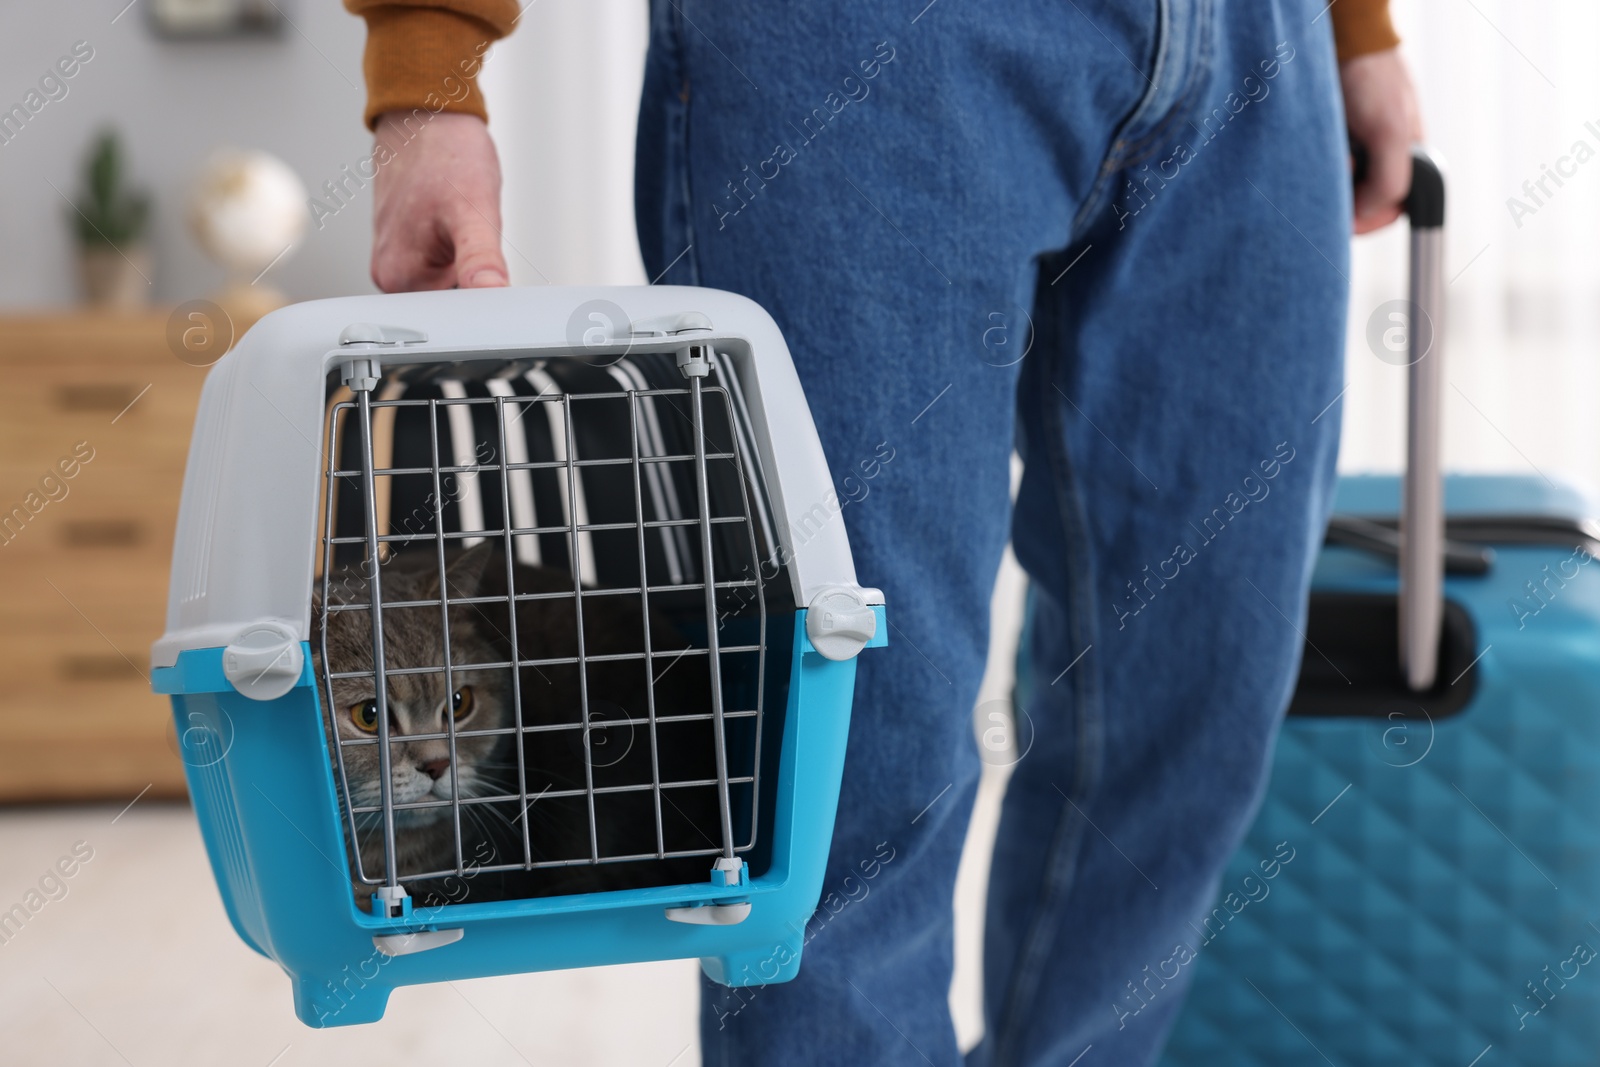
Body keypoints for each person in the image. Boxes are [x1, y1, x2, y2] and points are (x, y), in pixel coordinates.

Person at [341, 0, 1421, 1062]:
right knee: (854, 753)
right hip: (852, 42)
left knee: (1200, 695)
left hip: (1253, 41)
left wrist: (1358, 28)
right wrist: (428, 63)